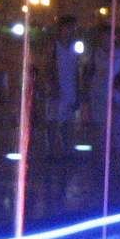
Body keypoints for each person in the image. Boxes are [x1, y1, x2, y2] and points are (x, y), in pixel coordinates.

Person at [86, 27, 120, 163]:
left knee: (117, 125)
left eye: (108, 37)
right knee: (100, 126)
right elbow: (89, 72)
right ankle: (100, 156)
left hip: (115, 94)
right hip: (98, 94)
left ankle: (118, 157)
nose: (105, 40)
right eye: (103, 37)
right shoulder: (96, 53)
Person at [46, 16, 83, 156]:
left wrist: (78, 90)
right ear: (61, 28)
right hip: (57, 89)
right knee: (53, 120)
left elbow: (77, 68)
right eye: (68, 28)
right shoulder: (54, 46)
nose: (71, 31)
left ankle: (68, 150)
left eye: (73, 28)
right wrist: (53, 86)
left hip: (70, 88)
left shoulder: (75, 47)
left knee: (68, 121)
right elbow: (49, 67)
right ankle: (52, 151)